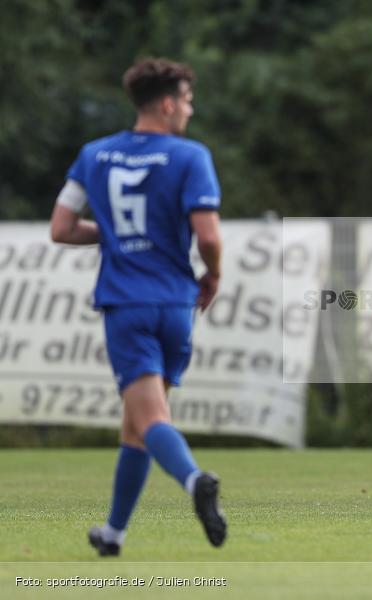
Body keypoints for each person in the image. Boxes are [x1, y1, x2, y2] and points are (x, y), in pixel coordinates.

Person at [49, 57, 227, 556]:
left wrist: (113, 236)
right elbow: (208, 236)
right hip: (175, 304)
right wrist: (212, 273)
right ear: (168, 103)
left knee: (149, 419)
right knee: (140, 423)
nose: (189, 110)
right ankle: (114, 533)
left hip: (127, 304)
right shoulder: (191, 157)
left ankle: (195, 482)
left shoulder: (94, 155)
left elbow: (61, 228)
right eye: (188, 100)